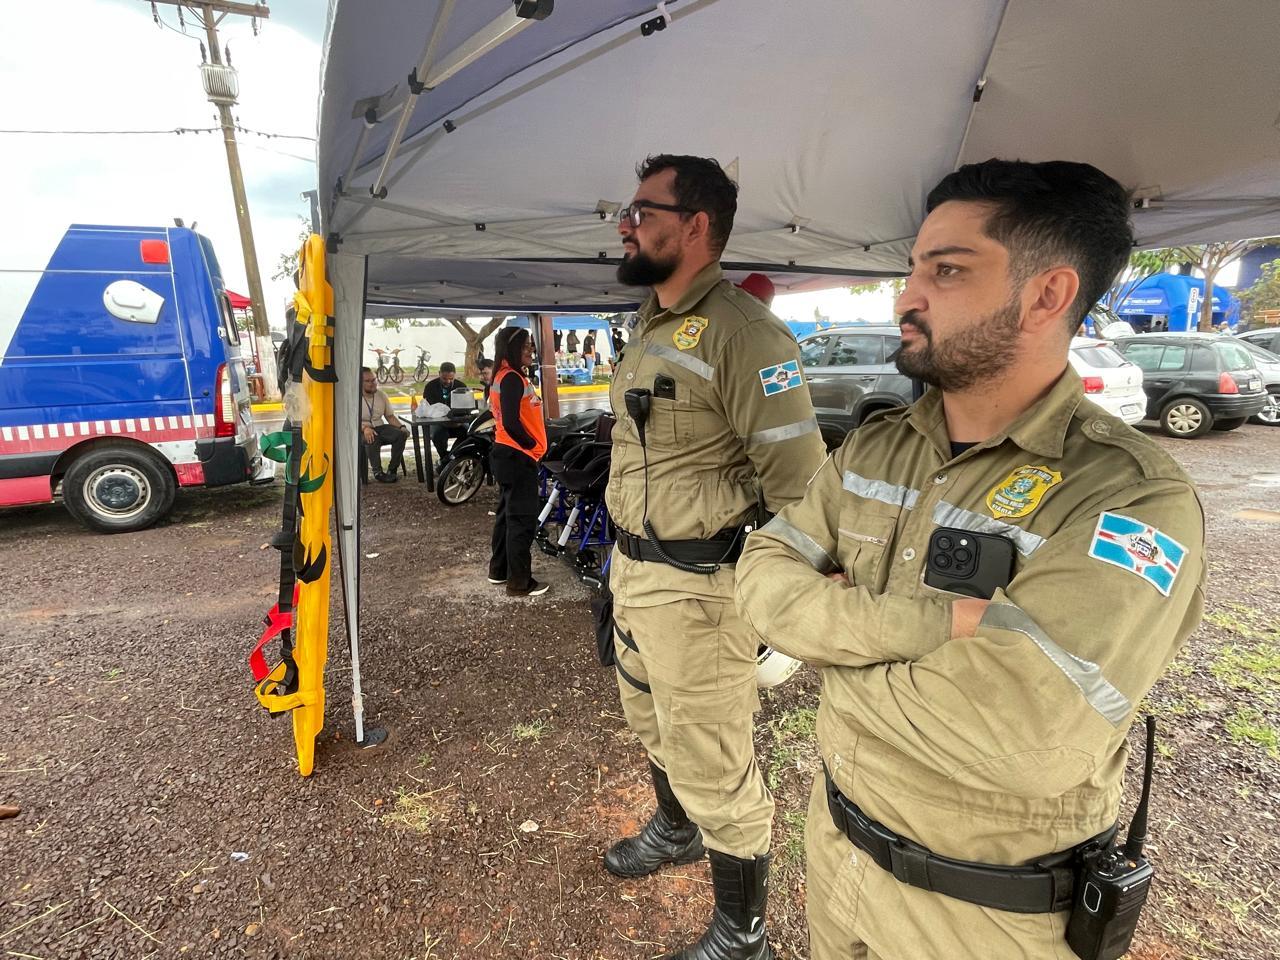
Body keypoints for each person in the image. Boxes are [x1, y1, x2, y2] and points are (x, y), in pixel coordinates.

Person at [734, 159, 1207, 960]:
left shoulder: (1128, 498)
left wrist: (828, 649)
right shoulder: (876, 448)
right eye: (914, 269)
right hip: (838, 856)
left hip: (980, 917)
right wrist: (940, 627)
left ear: (1047, 295)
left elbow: (1019, 736)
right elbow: (762, 576)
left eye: (947, 271)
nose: (906, 298)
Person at [604, 154, 826, 960]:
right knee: (648, 717)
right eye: (626, 212)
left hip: (700, 589)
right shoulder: (650, 324)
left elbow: (801, 487)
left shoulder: (745, 333)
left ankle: (743, 934)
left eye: (641, 211)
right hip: (633, 574)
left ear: (695, 225)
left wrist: (778, 607)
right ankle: (676, 830)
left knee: (713, 757)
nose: (625, 226)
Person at [488, 327, 550, 598]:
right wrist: (531, 446)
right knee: (521, 520)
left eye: (531, 345)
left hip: (507, 454)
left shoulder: (505, 375)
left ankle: (499, 570)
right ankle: (519, 582)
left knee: (506, 516)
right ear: (512, 348)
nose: (530, 350)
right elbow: (512, 422)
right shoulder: (511, 378)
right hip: (517, 456)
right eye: (526, 345)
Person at [360, 366, 407, 483]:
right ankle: (378, 472)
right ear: (360, 383)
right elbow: (350, 420)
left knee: (401, 434)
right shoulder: (354, 398)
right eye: (368, 381)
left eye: (374, 380)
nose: (373, 383)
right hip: (361, 430)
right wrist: (364, 428)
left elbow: (390, 416)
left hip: (380, 427)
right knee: (372, 437)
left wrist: (402, 427)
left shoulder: (381, 395)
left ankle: (392, 469)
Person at [422, 362, 468, 464]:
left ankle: (451, 456)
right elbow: (429, 409)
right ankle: (445, 458)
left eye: (451, 378)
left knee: (469, 432)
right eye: (444, 378)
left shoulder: (461, 386)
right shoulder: (430, 387)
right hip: (438, 422)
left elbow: (465, 408)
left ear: (455, 375)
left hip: (457, 422)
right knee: (438, 435)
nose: (448, 381)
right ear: (439, 373)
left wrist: (459, 420)